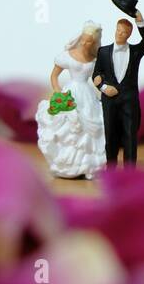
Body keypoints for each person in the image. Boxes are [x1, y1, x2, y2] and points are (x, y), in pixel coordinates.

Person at [34, 21, 107, 178]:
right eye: (83, 40)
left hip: (86, 94)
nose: (85, 43)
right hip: (71, 92)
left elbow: (97, 79)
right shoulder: (68, 55)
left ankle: (87, 164)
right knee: (68, 127)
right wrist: (58, 92)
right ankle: (64, 163)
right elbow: (54, 76)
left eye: (89, 41)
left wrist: (104, 90)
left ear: (94, 42)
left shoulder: (95, 59)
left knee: (88, 128)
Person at [93, 9, 144, 166]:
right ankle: (111, 169)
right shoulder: (103, 51)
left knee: (130, 136)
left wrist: (140, 19)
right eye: (118, 30)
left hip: (129, 100)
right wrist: (104, 87)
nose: (120, 34)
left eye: (124, 32)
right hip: (109, 100)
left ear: (129, 34)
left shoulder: (135, 51)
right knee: (110, 134)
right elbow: (96, 76)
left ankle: (129, 172)